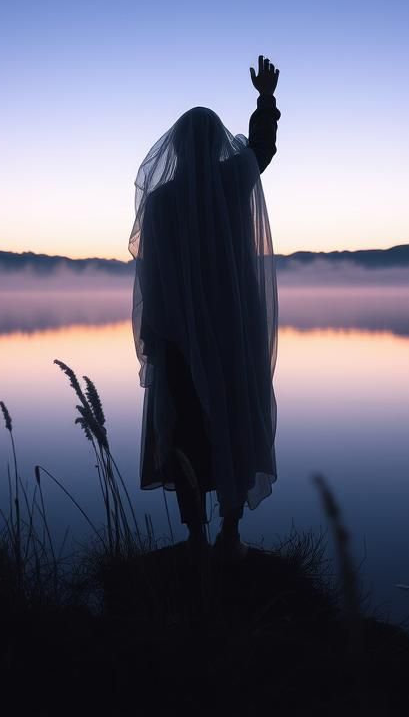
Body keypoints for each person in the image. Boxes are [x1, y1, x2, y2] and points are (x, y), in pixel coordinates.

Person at [130, 56, 280, 561]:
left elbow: (150, 275)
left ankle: (195, 536)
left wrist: (154, 333)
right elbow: (262, 149)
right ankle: (230, 532)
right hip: (233, 330)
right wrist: (264, 99)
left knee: (187, 428)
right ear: (216, 145)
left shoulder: (162, 202)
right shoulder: (233, 183)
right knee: (233, 417)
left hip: (178, 334)